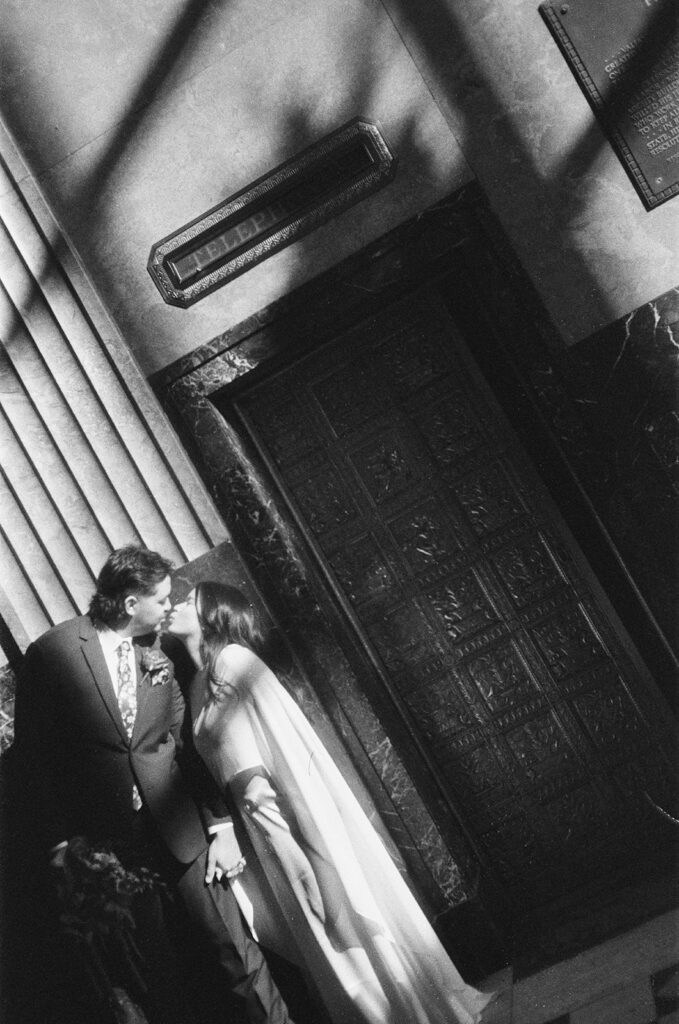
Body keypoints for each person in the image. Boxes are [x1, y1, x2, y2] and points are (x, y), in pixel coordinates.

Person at [167, 581, 495, 1024]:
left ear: (212, 616)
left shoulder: (236, 662)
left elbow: (281, 748)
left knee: (335, 921)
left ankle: (399, 1013)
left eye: (189, 600)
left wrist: (310, 835)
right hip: (262, 833)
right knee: (316, 936)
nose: (175, 605)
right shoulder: (199, 684)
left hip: (288, 819)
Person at [13, 546, 296, 1024]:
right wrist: (60, 844)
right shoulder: (53, 653)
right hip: (111, 847)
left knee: (235, 954)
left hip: (182, 832)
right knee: (157, 976)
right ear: (130, 604)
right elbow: (34, 761)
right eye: (162, 600)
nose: (171, 608)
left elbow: (186, 746)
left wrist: (221, 825)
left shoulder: (161, 653)